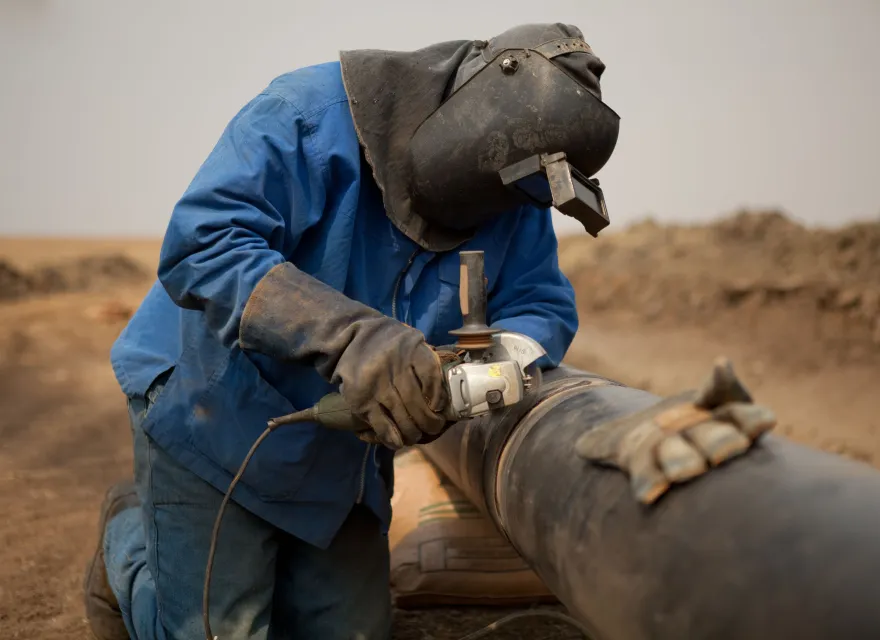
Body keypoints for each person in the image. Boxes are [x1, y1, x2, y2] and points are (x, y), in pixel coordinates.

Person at [83, 23, 619, 640]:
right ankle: (124, 551)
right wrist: (351, 337)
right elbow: (203, 246)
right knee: (218, 630)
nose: (500, 220)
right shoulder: (305, 117)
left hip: (343, 443)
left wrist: (479, 374)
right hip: (214, 406)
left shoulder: (514, 188)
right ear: (470, 124)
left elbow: (540, 301)